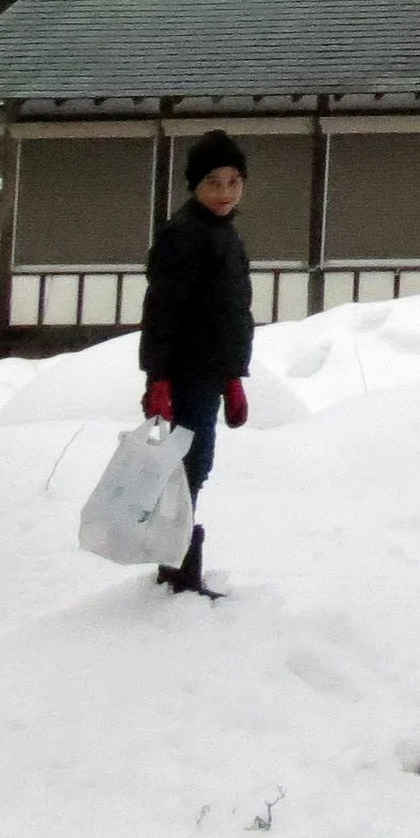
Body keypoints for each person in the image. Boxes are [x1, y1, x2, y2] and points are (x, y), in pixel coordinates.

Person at [138, 129, 253, 596]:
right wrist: (159, 378)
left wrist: (233, 378)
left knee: (192, 464)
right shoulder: (184, 235)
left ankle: (176, 562)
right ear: (194, 186)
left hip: (209, 372)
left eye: (233, 181)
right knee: (186, 465)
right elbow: (162, 311)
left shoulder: (223, 233)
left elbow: (229, 315)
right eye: (213, 182)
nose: (224, 193)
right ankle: (180, 570)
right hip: (184, 374)